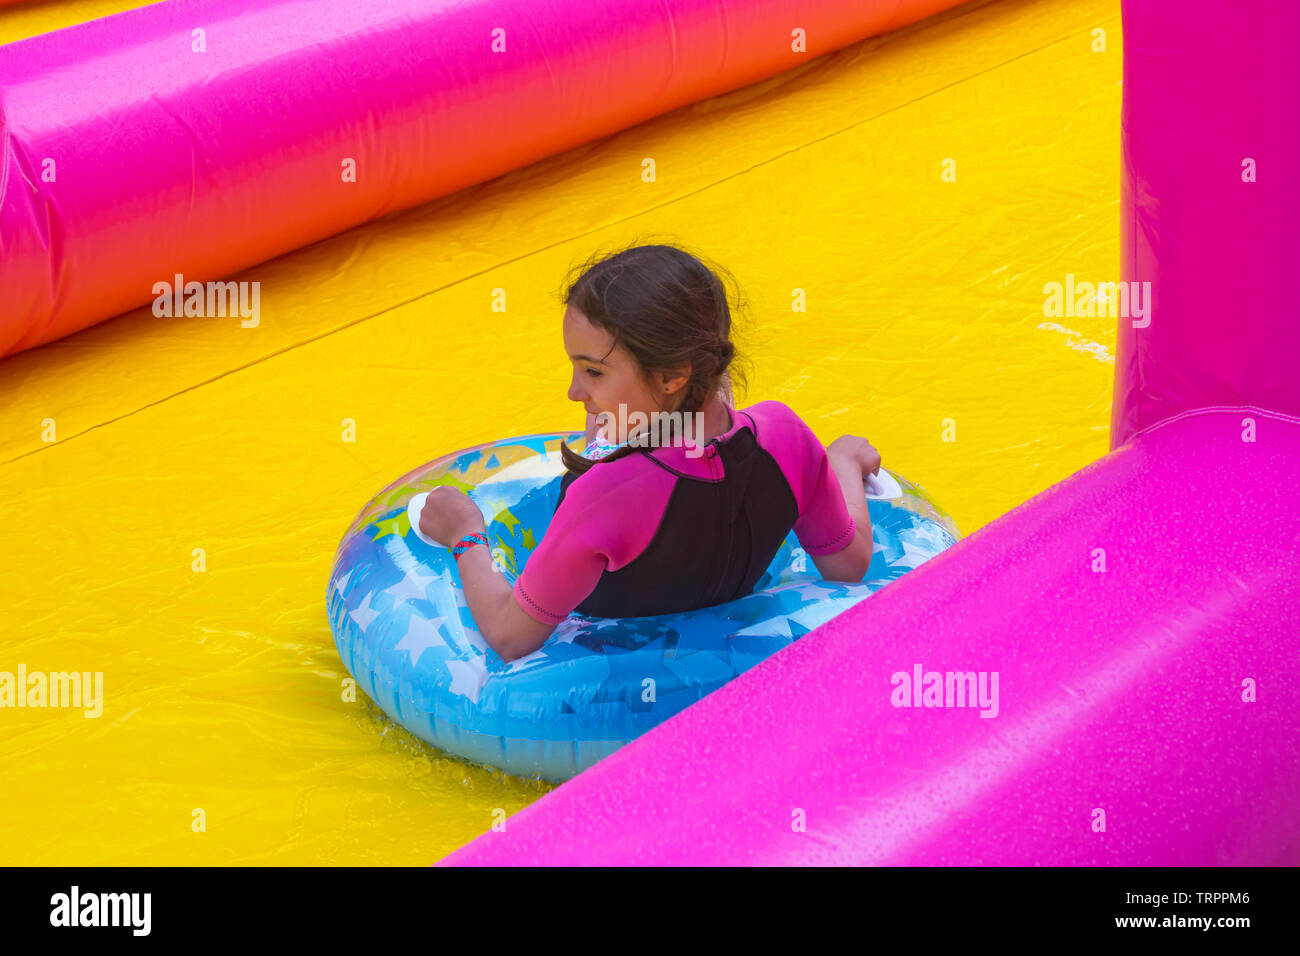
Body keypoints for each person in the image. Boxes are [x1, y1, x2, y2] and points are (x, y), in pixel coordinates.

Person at [420, 243, 881, 661]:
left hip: (615, 659)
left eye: (593, 373)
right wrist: (839, 462)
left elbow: (510, 636)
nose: (573, 391)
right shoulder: (787, 437)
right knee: (638, 432)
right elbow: (849, 565)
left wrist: (466, 533)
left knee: (604, 446)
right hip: (723, 575)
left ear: (673, 375)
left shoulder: (603, 496)